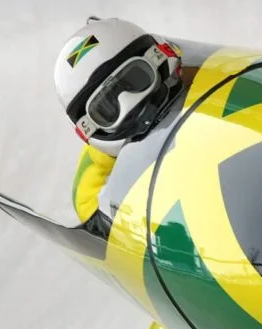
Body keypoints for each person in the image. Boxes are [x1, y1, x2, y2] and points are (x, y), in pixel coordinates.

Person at [52, 17, 183, 234]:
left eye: (136, 78)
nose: (129, 102)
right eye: (106, 108)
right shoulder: (94, 175)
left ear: (157, 59)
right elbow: (90, 205)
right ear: (91, 128)